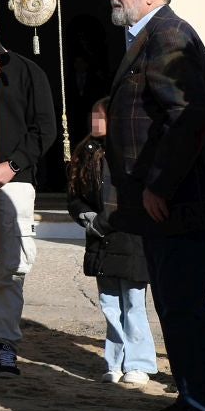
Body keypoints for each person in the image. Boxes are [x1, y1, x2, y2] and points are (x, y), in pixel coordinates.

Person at [103, 0, 205, 411]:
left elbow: (188, 116)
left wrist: (158, 184)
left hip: (181, 200)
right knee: (176, 307)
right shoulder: (148, 36)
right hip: (163, 202)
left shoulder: (169, 35)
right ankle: (196, 401)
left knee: (183, 307)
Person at [0, 42, 55, 379]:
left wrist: (12, 165)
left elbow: (45, 128)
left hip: (12, 184)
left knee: (10, 273)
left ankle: (5, 344)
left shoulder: (28, 72)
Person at [68, 99, 154, 384]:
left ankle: (139, 363)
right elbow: (76, 195)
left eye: (101, 117)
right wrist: (87, 217)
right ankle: (114, 361)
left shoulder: (132, 151)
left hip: (130, 236)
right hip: (99, 238)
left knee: (133, 302)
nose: (96, 123)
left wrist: (105, 221)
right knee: (109, 303)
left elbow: (135, 196)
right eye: (93, 117)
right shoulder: (86, 152)